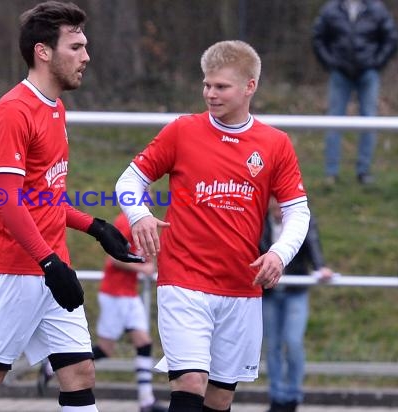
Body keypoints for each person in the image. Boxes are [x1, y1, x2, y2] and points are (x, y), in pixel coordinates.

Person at [0, 2, 142, 412]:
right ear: (43, 52)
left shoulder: (55, 108)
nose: (86, 57)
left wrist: (96, 227)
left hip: (51, 269)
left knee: (79, 374)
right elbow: (7, 200)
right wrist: (49, 263)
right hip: (16, 270)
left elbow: (41, 197)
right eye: (76, 47)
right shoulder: (14, 111)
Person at [115, 40, 311, 412]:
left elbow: (298, 212)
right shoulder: (182, 131)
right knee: (190, 383)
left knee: (219, 399)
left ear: (249, 86)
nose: (210, 93)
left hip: (241, 286)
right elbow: (129, 181)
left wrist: (279, 254)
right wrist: (138, 214)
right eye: (206, 85)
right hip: (184, 281)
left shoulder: (275, 144)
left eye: (221, 86)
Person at [38, 208, 168, 412]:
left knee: (144, 343)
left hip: (130, 294)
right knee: (106, 349)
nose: (148, 196)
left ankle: (146, 401)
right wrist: (142, 268)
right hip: (114, 294)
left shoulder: (143, 219)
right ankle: (52, 365)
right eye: (145, 191)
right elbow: (114, 258)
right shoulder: (125, 221)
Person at [312, 0, 398, 186]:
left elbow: (391, 38)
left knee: (369, 120)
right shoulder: (331, 10)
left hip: (368, 72)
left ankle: (364, 171)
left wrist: (377, 62)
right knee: (334, 120)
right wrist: (330, 62)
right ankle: (331, 173)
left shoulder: (377, 9)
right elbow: (318, 37)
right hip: (340, 73)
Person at [261, 197, 334, 412]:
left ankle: (293, 396)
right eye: (273, 204)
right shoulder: (259, 221)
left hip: (295, 289)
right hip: (269, 292)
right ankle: (276, 397)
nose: (276, 209)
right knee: (272, 345)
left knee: (293, 342)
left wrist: (320, 267)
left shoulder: (301, 220)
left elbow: (312, 242)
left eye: (279, 204)